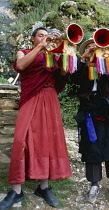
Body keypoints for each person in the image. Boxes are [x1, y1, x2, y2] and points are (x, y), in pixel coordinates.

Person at [0, 27, 72, 209]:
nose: (45, 38)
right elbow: (22, 66)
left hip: (49, 98)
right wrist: (40, 47)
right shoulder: (23, 52)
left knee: (47, 141)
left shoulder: (53, 56)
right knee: (20, 140)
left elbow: (63, 73)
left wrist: (64, 49)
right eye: (40, 35)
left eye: (47, 36)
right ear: (33, 38)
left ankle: (44, 187)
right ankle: (16, 190)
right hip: (31, 98)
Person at [70, 38, 109, 203]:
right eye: (90, 47)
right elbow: (73, 79)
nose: (93, 49)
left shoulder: (105, 62)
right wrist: (83, 58)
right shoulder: (81, 64)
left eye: (95, 47)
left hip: (107, 107)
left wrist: (107, 55)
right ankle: (94, 184)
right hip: (88, 108)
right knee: (91, 147)